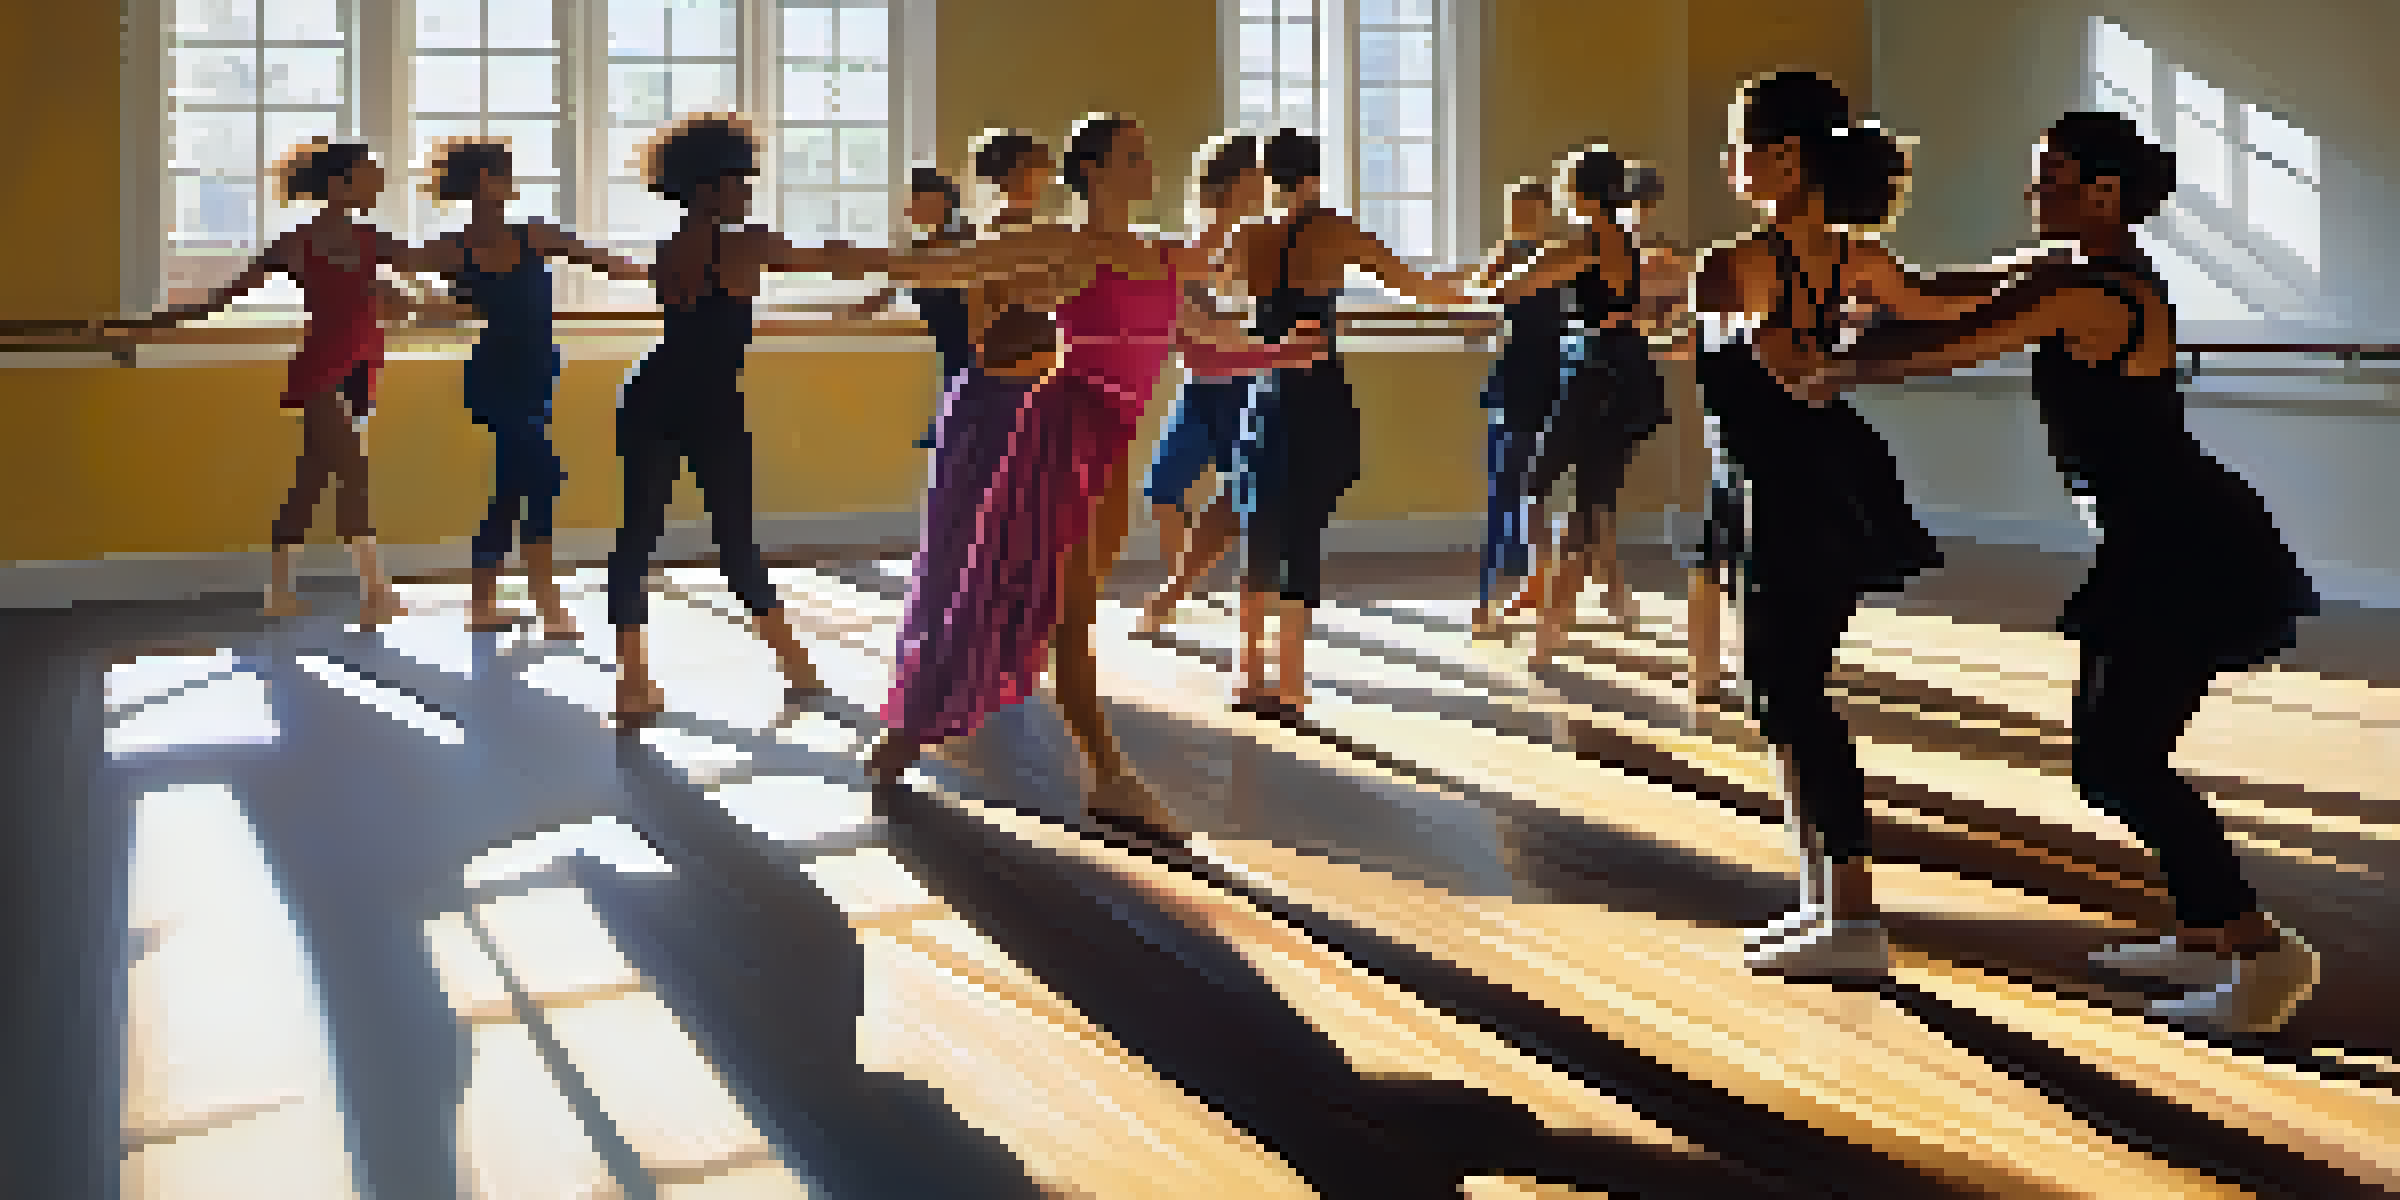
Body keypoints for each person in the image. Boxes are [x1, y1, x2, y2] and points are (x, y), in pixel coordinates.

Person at [1801, 112, 2321, 1033]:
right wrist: (1864, 291)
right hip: (2157, 543)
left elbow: (1959, 343)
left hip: (2188, 550)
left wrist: (1833, 365)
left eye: (2051, 176)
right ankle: (2205, 932)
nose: (2034, 190)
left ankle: (2264, 952)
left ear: (2103, 192)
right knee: (2120, 755)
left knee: (2118, 764)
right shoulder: (2068, 269)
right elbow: (1951, 295)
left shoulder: (2094, 293)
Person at [831, 114, 1329, 845]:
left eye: (1145, 154)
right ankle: (1109, 775)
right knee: (1064, 613)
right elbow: (949, 267)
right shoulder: (1066, 246)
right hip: (1063, 433)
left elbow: (1205, 348)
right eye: (1133, 156)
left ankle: (907, 735)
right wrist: (847, 259)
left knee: (1040, 599)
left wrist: (1281, 355)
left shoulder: (1159, 257)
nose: (1147, 166)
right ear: (1092, 170)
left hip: (1111, 443)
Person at [1690, 70, 2033, 980]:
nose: (1731, 161)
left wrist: (2032, 277)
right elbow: (1935, 302)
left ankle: (1849, 914)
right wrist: (2028, 275)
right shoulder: (1858, 260)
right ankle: (1825, 904)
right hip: (1828, 482)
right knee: (1785, 695)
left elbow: (1790, 371)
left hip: (1790, 491)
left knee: (1789, 697)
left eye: (1743, 145)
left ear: (1785, 158)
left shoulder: (1734, 265)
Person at [95, 139, 424, 627]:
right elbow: (218, 301)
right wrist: (138, 327)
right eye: (368, 173)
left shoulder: (375, 240)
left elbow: (430, 268)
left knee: (311, 481)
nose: (378, 182)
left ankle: (279, 594)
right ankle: (376, 591)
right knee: (354, 473)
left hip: (362, 371)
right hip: (322, 373)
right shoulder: (295, 243)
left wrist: (414, 296)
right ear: (339, 185)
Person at [1226, 129, 1471, 716]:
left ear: (1269, 177)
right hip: (1315, 393)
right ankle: (1291, 681)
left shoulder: (1248, 235)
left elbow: (1216, 292)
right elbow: (1417, 288)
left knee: (1261, 528)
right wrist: (1480, 285)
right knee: (1302, 532)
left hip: (1264, 389)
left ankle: (1248, 674)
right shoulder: (1333, 229)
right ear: (1315, 176)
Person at [608, 114, 835, 730]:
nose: (750, 189)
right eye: (741, 179)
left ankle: (635, 683)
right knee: (733, 543)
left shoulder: (671, 246)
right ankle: (796, 668)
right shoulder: (746, 243)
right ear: (708, 185)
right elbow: (825, 259)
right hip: (706, 404)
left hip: (653, 394)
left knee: (639, 538)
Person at [410, 137, 649, 639]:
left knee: (512, 486)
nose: (513, 181)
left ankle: (483, 603)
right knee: (542, 476)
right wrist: (426, 302)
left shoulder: (534, 235)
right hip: (493, 378)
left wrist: (673, 273)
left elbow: (607, 262)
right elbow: (378, 269)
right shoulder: (450, 248)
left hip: (538, 374)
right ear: (484, 183)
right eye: (505, 173)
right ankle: (546, 599)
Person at [1481, 147, 1674, 665]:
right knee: (1579, 497)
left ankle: (1552, 617)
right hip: (1615, 369)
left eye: (1565, 185)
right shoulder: (1622, 238)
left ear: (1582, 194)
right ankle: (1562, 616)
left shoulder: (1589, 242)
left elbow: (1512, 287)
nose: (1560, 195)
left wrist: (1497, 270)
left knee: (1553, 490)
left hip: (1600, 372)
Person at [1136, 132, 1271, 634]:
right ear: (1236, 181)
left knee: (1240, 495)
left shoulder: (1262, 240)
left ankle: (1179, 591)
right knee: (1161, 489)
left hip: (1248, 385)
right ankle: (1186, 583)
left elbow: (1242, 316)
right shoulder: (1193, 242)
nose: (1266, 186)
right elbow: (1186, 315)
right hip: (1199, 386)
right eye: (1257, 177)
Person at [1459, 178, 1568, 640]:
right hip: (1514, 384)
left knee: (1539, 493)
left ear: (1548, 214)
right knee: (1503, 490)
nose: (1522, 221)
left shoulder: (1562, 258)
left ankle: (1539, 589)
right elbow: (1475, 322)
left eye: (1531, 212)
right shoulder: (1502, 260)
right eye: (1516, 212)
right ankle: (1488, 600)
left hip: (1555, 382)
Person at [846, 167, 979, 451]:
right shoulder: (920, 248)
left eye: (916, 198)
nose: (908, 208)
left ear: (941, 201)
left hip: (972, 354)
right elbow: (887, 292)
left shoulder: (966, 243)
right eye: (910, 199)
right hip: (948, 353)